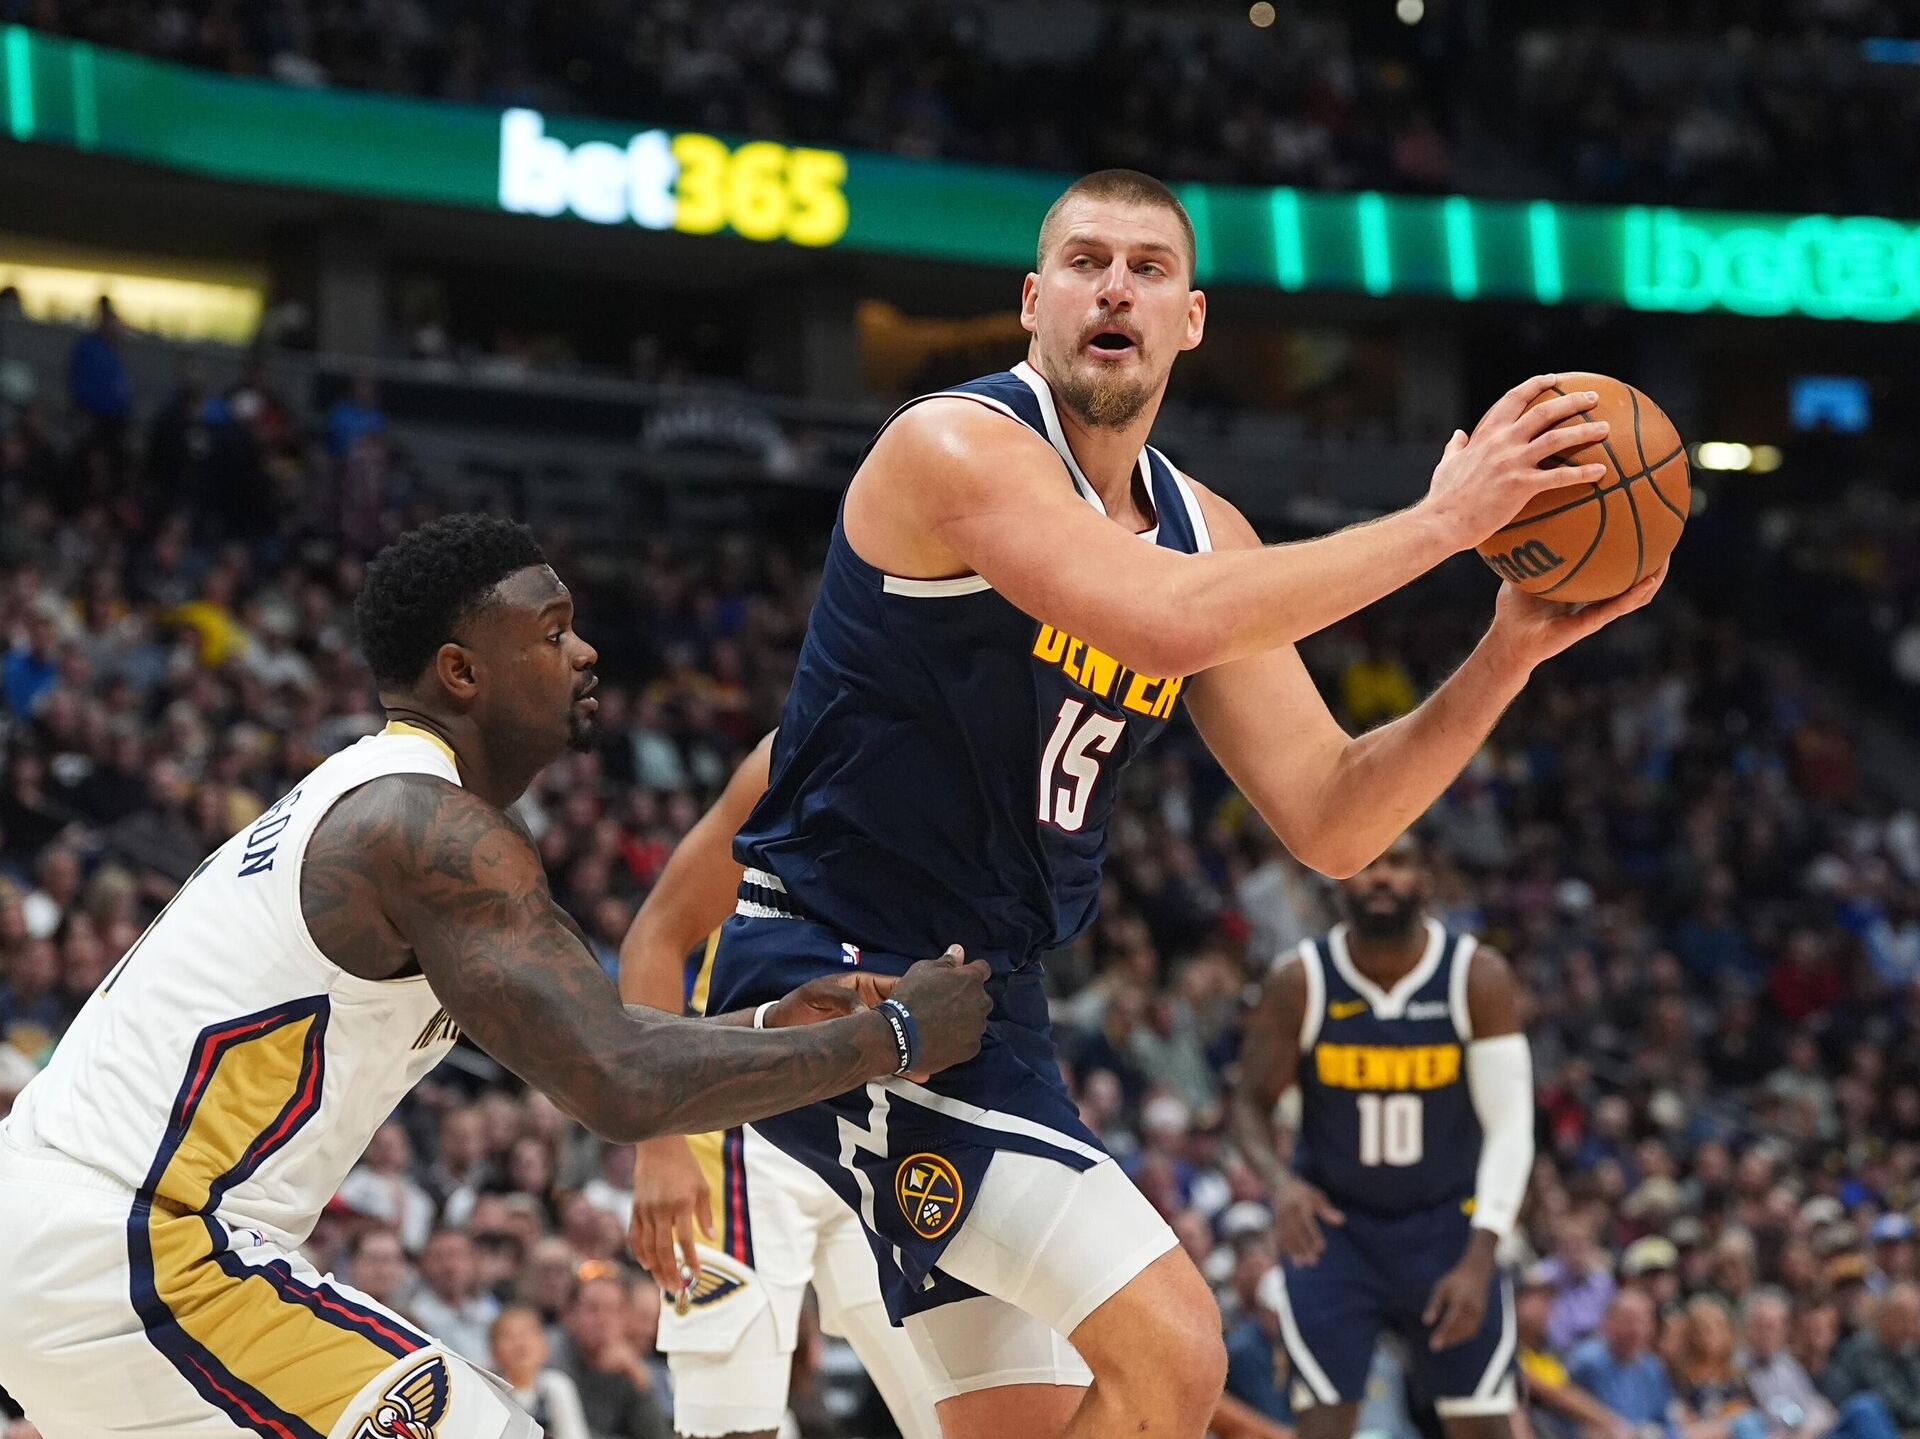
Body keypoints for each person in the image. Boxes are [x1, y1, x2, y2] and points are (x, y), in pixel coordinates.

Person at [704, 167, 1657, 1439]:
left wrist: (1507, 652)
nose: (1116, 288)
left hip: (990, 1002)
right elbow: (1159, 618)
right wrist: (1442, 521)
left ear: (1191, 318)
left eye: (1148, 269)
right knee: (1176, 1351)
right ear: (1032, 302)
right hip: (843, 975)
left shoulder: (1210, 532)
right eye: (1086, 263)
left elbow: (1334, 816)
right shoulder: (952, 444)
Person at [0, 514, 992, 1439]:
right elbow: (620, 1082)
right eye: (552, 632)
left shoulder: (382, 801)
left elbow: (598, 1038)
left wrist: (770, 1023)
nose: (585, 651)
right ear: (461, 671)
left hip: (78, 1239)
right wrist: (893, 1039)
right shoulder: (428, 829)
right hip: (140, 1243)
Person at [618, 736, 940, 1439]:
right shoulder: (798, 748)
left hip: (887, 1122)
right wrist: (660, 1142)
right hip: (744, 1120)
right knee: (734, 1425)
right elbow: (657, 936)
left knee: (963, 1404)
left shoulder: (996, 763)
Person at [1229, 833, 1535, 1439]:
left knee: (1483, 1422)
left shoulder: (1476, 977)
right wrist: (1280, 1184)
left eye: (1397, 863)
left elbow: (1512, 1126)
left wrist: (1483, 1253)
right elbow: (1248, 1103)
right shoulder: (1301, 981)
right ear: (1338, 877)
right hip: (1335, 1232)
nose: (1381, 878)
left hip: (1447, 1228)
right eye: (1366, 863)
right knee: (1322, 1425)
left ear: (1426, 879)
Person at [1740, 1288, 1896, 1439]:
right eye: (1760, 1326)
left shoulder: (1785, 1366)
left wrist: (1807, 1430)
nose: (1767, 1334)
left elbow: (1815, 1408)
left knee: (1866, 1405)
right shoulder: (1739, 1369)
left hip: (1809, 1432)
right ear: (1746, 1329)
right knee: (1863, 1407)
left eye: (1774, 1327)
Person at [1821, 1282, 1920, 1430]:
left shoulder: (1905, 1348)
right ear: (1886, 1317)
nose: (1912, 1326)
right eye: (1906, 1318)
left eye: (1915, 1318)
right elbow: (1896, 1407)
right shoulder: (1865, 1349)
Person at [492, 1305, 591, 1439]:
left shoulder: (557, 1385)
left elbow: (574, 1435)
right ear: (494, 1351)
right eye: (509, 1336)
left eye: (527, 1333)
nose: (520, 1343)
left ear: (544, 1346)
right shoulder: (490, 1392)